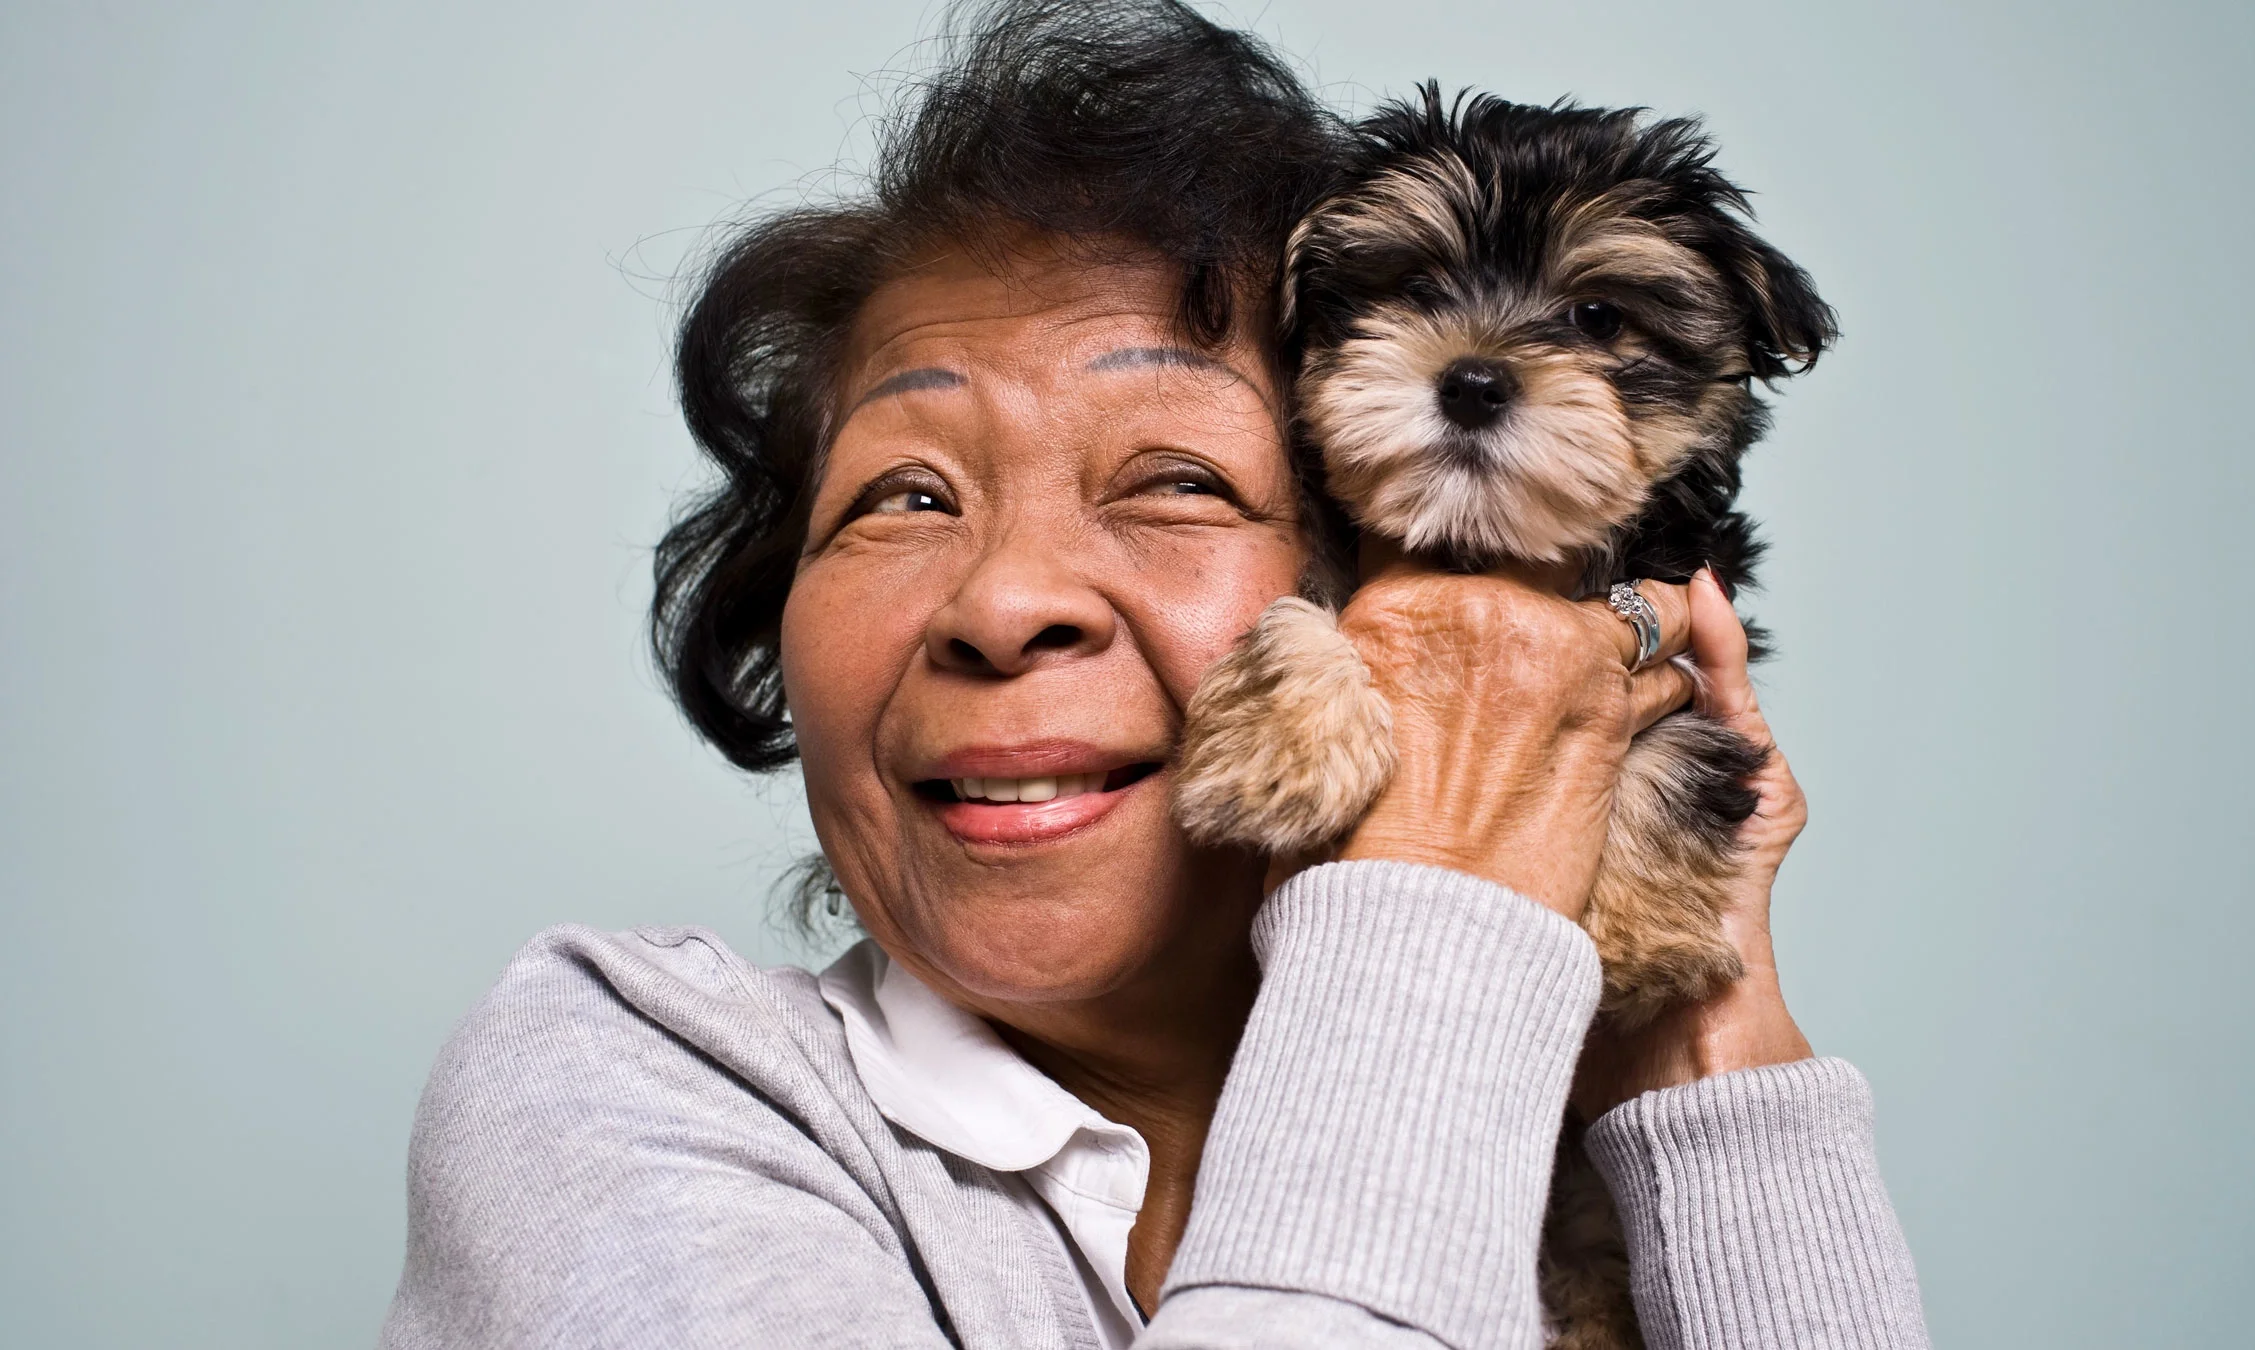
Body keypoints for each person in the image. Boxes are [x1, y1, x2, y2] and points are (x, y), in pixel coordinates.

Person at [381, 3, 1930, 1346]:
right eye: (902, 496)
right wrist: (1451, 895)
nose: (1006, 602)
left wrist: (1695, 1054)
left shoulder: (1596, 1120)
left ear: (1401, 563)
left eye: (1175, 478)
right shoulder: (624, 1089)